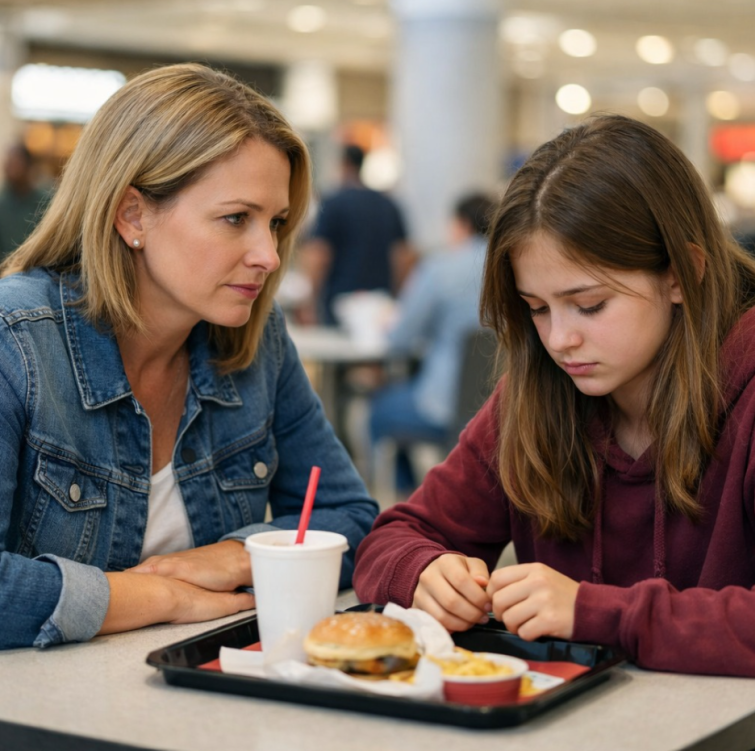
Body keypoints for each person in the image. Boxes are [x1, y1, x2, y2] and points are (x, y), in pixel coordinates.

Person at [353, 114, 755, 677]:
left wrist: (593, 611)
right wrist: (424, 572)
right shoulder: (536, 393)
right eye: (537, 308)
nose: (559, 339)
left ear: (682, 274)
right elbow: (392, 539)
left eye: (590, 304)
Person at [0, 63, 378, 650]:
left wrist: (234, 557)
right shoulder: (15, 339)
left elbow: (352, 518)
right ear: (133, 216)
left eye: (276, 223)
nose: (270, 256)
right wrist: (163, 596)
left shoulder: (256, 338)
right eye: (236, 219)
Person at [369, 192, 496, 493]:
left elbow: (400, 338)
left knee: (380, 408)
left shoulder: (440, 269)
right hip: (504, 405)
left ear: (461, 225)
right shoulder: (512, 266)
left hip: (444, 406)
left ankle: (404, 497)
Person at [299, 144, 412, 325]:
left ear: (344, 164)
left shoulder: (333, 203)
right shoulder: (388, 205)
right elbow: (403, 257)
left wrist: (309, 302)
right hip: (380, 302)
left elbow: (319, 255)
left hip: (339, 302)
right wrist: (399, 297)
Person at [0, 143, 50, 262]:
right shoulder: (2, 202)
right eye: (9, 163)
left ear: (28, 166)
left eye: (16, 164)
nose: (11, 169)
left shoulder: (45, 201)